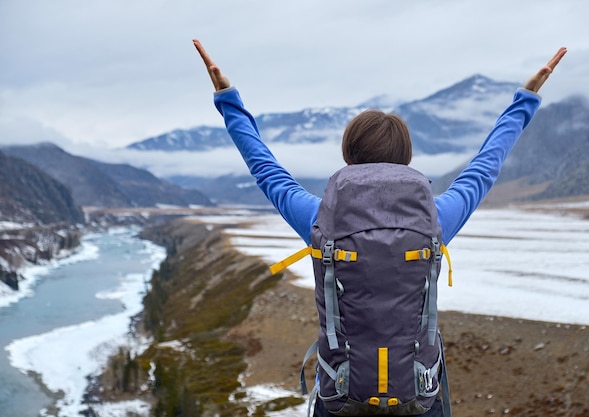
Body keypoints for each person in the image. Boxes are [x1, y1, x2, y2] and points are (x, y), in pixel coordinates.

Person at [192, 39, 566, 417]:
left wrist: (227, 97)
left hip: (341, 397)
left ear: (348, 154)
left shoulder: (322, 218)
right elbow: (485, 168)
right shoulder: (434, 220)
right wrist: (525, 100)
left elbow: (265, 169)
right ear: (406, 158)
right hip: (417, 397)